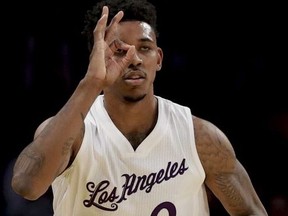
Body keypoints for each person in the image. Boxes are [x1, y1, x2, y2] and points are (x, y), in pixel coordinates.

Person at [11, 0, 268, 215]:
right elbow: (27, 186)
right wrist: (91, 83)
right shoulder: (75, 133)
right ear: (96, 58)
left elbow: (251, 212)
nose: (133, 58)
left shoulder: (199, 136)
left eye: (144, 48)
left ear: (158, 59)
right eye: (119, 50)